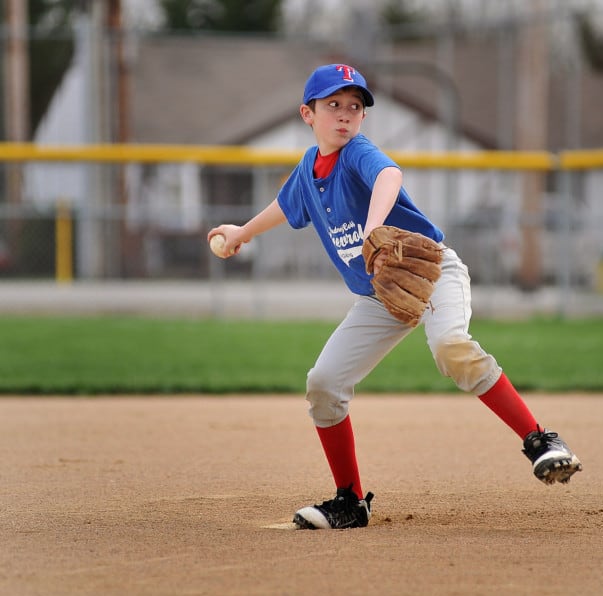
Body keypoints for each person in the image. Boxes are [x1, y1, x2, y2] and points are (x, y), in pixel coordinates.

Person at [207, 63, 582, 530]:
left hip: (433, 272)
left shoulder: (358, 153)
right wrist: (241, 232)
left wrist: (372, 228)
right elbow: (285, 206)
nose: (345, 115)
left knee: (450, 347)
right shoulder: (307, 170)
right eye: (333, 105)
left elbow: (389, 175)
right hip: (379, 295)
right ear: (308, 113)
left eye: (355, 107)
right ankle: (349, 501)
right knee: (323, 383)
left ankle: (541, 441)